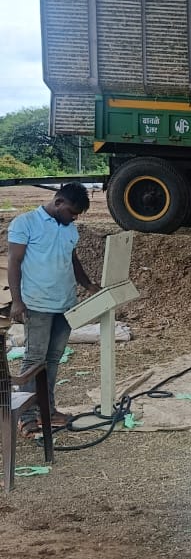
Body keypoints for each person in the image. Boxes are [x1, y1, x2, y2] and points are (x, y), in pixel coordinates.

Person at [7, 182, 94, 436]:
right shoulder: (25, 224)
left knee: (53, 360)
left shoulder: (69, 228)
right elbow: (14, 262)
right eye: (72, 212)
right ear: (58, 203)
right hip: (37, 304)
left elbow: (73, 260)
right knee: (35, 360)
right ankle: (27, 416)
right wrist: (17, 300)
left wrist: (87, 284)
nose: (74, 217)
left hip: (64, 304)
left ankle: (48, 409)